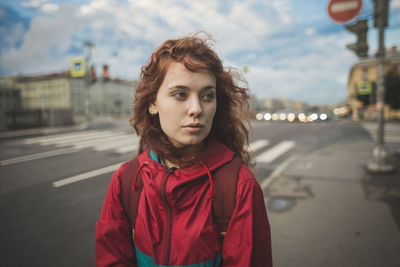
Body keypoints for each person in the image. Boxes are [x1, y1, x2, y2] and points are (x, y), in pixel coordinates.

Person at [95, 34, 272, 267]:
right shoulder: (127, 181)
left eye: (207, 96)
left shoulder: (239, 187)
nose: (197, 109)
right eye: (180, 94)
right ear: (153, 103)